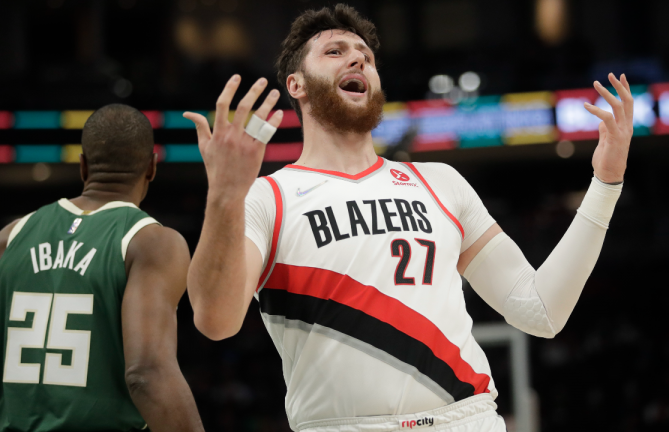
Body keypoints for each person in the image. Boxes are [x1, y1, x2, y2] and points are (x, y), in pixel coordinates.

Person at [184, 4, 631, 432]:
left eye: (367, 57)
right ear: (296, 84)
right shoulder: (268, 197)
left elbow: (541, 310)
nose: (357, 60)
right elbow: (215, 321)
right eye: (335, 52)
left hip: (466, 421)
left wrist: (605, 184)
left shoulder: (441, 182)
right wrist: (225, 194)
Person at [0, 104, 204, 432]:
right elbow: (147, 374)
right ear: (151, 168)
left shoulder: (9, 239)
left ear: (83, 166)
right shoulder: (152, 243)